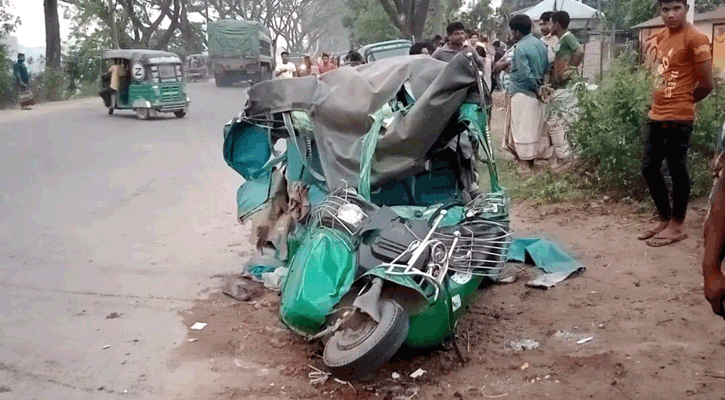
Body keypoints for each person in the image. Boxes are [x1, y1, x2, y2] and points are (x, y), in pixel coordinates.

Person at [638, 0, 713, 247]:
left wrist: (684, 103)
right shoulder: (662, 36)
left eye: (676, 9)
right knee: (649, 168)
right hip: (656, 114)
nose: (670, 15)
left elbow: (706, 84)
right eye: (665, 9)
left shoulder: (695, 38)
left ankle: (678, 225)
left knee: (677, 169)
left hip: (679, 116)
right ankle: (664, 218)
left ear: (686, 9)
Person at [498, 14, 551, 174]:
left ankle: (524, 164)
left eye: (512, 32)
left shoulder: (520, 48)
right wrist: (542, 88)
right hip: (537, 94)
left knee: (521, 128)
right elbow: (547, 69)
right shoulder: (540, 45)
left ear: (516, 32)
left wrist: (535, 88)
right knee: (533, 128)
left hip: (522, 93)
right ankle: (532, 161)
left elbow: (525, 74)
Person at [544, 10, 585, 170]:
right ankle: (564, 156)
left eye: (550, 23)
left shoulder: (568, 37)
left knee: (562, 121)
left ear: (557, 24)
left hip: (565, 88)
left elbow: (579, 51)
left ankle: (567, 158)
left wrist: (570, 69)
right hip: (559, 87)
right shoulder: (560, 40)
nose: (549, 26)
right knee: (560, 121)